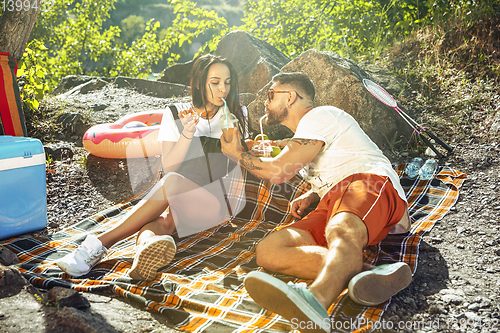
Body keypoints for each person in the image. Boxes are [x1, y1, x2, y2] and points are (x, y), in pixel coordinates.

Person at [220, 72, 412, 333]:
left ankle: (316, 301)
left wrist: (237, 155)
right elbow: (325, 163)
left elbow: (279, 171)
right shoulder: (307, 132)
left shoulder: (320, 115)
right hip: (335, 199)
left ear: (290, 97)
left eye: (270, 94)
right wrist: (313, 193)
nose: (265, 102)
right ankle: (370, 274)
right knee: (269, 250)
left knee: (339, 230)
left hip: (369, 182)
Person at [57, 54, 249, 281]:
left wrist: (240, 143)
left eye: (227, 82)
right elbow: (170, 165)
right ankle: (143, 255)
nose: (223, 90)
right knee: (160, 224)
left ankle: (99, 244)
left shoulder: (237, 113)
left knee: (171, 183)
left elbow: (236, 164)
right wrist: (186, 133)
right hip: (180, 200)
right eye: (215, 82)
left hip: (216, 202)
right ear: (199, 83)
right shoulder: (177, 113)